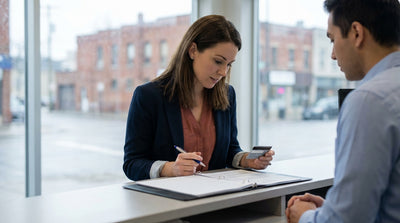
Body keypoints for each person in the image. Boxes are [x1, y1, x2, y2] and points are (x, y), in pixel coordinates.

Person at [286, 0, 400, 222]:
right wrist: (331, 209)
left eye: (333, 39)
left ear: (357, 33)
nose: (333, 55)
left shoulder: (369, 100)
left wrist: (305, 216)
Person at [123, 15, 275, 181]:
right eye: (218, 61)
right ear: (193, 50)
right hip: (170, 201)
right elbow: (132, 163)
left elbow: (230, 150)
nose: (224, 72)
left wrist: (247, 160)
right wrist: (170, 168)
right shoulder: (148, 96)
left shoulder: (227, 94)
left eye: (229, 64)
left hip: (215, 198)